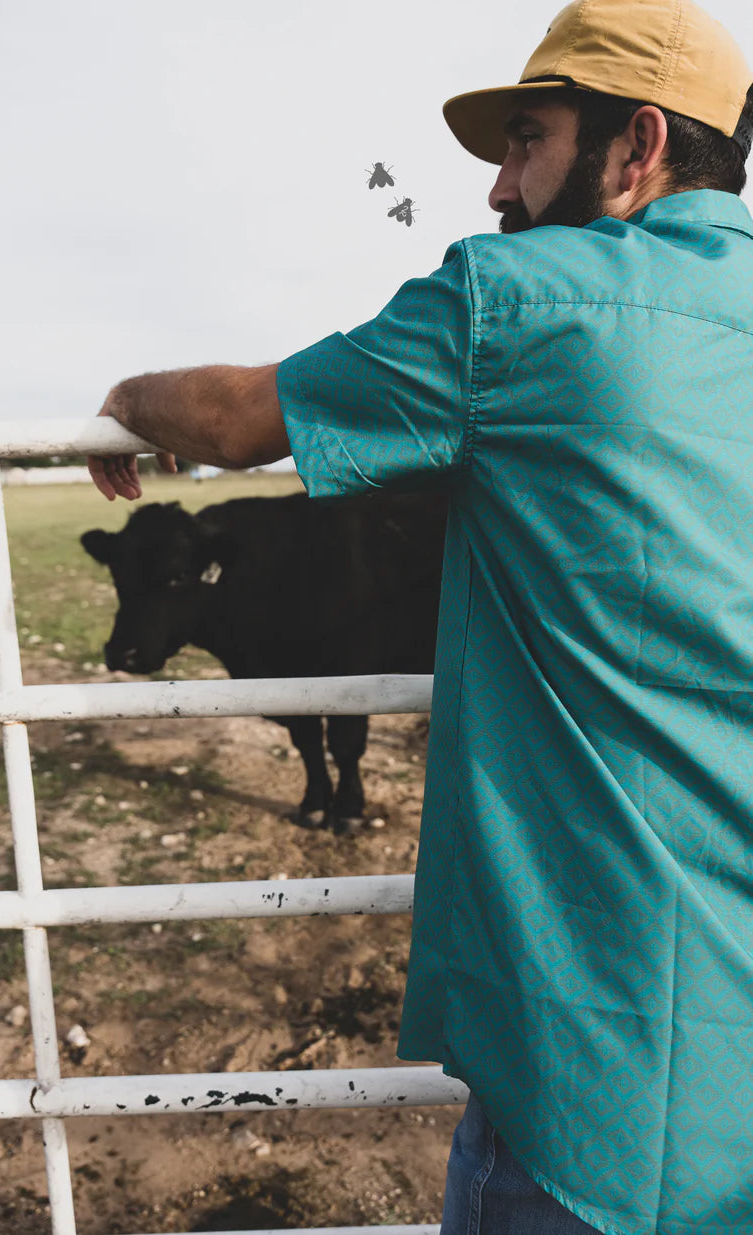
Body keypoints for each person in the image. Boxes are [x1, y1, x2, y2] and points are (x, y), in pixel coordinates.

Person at [87, 0, 753, 1230]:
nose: (497, 188)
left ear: (638, 143)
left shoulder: (524, 296)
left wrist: (123, 395)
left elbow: (234, 417)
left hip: (598, 1058)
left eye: (527, 141)